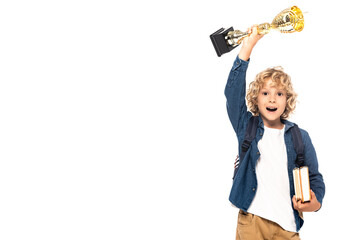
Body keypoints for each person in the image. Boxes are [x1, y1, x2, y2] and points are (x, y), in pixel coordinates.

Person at [225, 26, 325, 240]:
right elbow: (232, 95)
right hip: (253, 221)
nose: (272, 99)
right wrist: (247, 48)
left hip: (287, 226)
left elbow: (315, 178)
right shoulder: (247, 127)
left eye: (279, 93)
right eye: (265, 93)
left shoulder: (299, 136)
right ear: (256, 98)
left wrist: (313, 203)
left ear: (287, 100)